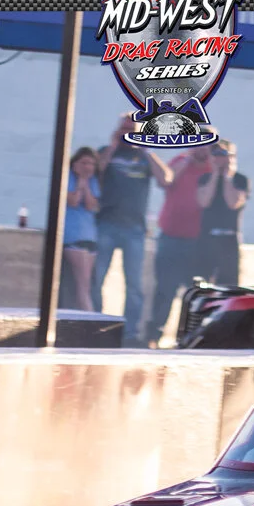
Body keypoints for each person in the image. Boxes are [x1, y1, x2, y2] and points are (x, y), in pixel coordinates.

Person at [92, 115, 170, 345]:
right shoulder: (108, 152)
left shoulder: (144, 157)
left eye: (132, 130)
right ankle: (95, 325)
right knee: (97, 279)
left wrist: (146, 148)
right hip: (106, 223)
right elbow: (97, 171)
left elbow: (165, 179)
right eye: (124, 129)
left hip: (135, 228)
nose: (127, 134)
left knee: (134, 284)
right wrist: (113, 145)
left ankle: (130, 333)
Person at [147, 144, 214, 347]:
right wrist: (186, 160)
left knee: (195, 293)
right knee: (165, 290)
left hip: (198, 241)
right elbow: (165, 180)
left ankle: (190, 338)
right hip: (171, 237)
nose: (202, 150)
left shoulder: (212, 169)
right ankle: (154, 336)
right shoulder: (181, 161)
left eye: (207, 146)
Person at [197, 139, 249, 285]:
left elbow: (233, 203)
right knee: (203, 282)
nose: (219, 158)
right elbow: (204, 202)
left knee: (228, 285)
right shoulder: (205, 179)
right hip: (207, 237)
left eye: (223, 154)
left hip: (229, 239)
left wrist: (227, 176)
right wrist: (215, 174)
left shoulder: (240, 180)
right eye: (215, 154)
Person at [61, 147, 100, 312]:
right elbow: (73, 201)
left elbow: (91, 205)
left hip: (89, 237)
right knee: (82, 286)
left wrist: (86, 183)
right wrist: (81, 181)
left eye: (91, 164)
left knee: (85, 285)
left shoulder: (93, 181)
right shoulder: (68, 178)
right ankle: (90, 317)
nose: (88, 167)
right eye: (84, 163)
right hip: (73, 236)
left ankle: (84, 315)